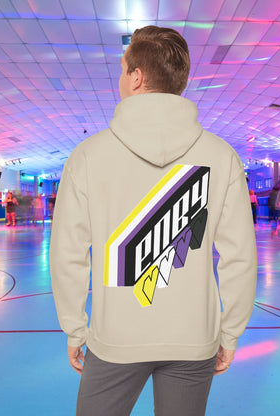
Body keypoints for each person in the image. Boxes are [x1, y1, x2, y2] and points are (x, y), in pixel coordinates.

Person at [50, 26, 257, 416]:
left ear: (136, 76)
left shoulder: (88, 155)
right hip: (193, 339)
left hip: (115, 338)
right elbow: (240, 256)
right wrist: (230, 332)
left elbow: (68, 255)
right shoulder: (221, 155)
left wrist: (75, 328)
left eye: (122, 68)